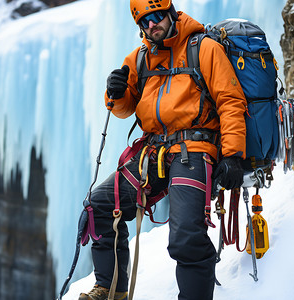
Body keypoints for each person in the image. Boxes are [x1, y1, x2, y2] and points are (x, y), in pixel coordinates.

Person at [79, 1, 247, 299]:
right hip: (153, 152)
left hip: (194, 149)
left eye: (156, 17)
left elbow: (231, 101)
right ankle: (110, 289)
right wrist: (114, 93)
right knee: (98, 206)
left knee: (186, 237)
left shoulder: (204, 48)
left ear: (170, 13)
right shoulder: (140, 58)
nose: (151, 25)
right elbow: (124, 106)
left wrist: (233, 155)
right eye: (144, 22)